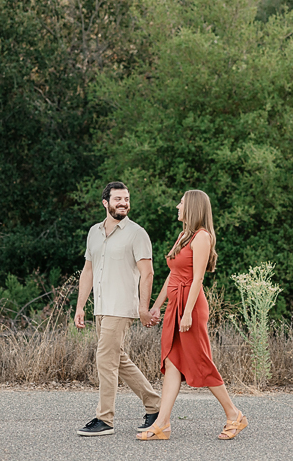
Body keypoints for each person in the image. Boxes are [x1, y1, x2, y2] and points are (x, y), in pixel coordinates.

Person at [136, 189, 248, 441]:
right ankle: (162, 424)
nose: (177, 206)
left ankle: (234, 415)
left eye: (181, 203)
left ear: (193, 208)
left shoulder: (202, 237)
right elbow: (173, 274)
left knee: (200, 361)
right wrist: (157, 305)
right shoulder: (183, 236)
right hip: (175, 305)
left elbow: (198, 278)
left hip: (191, 307)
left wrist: (187, 313)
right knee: (171, 362)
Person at [75, 181, 162, 436]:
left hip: (121, 307)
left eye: (126, 199)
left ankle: (105, 419)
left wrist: (143, 308)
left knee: (105, 359)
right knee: (117, 359)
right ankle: (155, 405)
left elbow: (148, 273)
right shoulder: (94, 232)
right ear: (106, 203)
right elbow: (88, 271)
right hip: (101, 307)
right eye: (118, 199)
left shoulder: (137, 233)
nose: (124, 203)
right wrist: (80, 306)